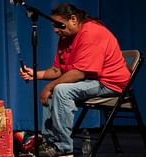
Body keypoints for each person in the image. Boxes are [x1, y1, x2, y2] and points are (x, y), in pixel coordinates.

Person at [19, 3, 130, 157]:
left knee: (61, 90)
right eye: (54, 26)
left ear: (73, 19)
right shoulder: (66, 37)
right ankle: (50, 142)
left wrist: (48, 87)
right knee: (55, 90)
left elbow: (79, 73)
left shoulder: (91, 32)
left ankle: (63, 147)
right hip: (91, 80)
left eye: (59, 25)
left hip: (110, 83)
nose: (55, 30)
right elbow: (59, 70)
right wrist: (35, 74)